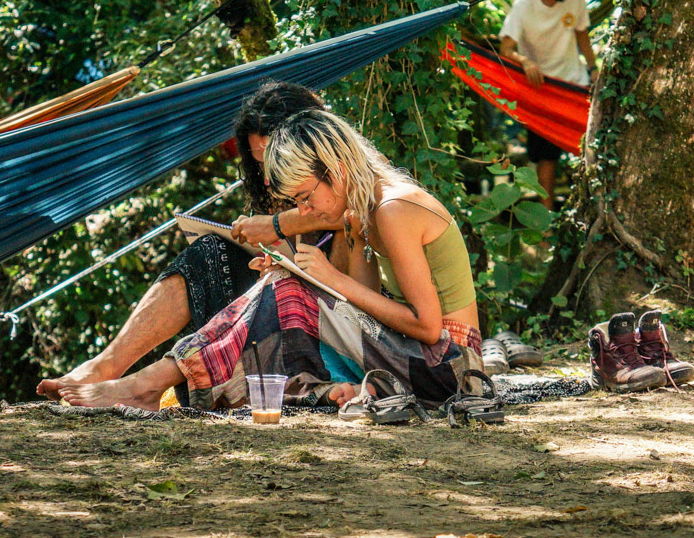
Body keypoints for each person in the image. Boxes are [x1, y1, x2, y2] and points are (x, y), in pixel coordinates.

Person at [58, 108, 483, 411]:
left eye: (305, 198)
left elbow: (428, 327)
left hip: (454, 368)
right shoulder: (361, 210)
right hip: (420, 359)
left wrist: (326, 277)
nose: (307, 212)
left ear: (334, 172)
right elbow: (362, 312)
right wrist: (308, 273)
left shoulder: (392, 209)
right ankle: (153, 382)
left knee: (287, 291)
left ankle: (148, 383)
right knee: (287, 287)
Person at [36, 81, 343, 401]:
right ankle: (106, 367)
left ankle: (146, 386)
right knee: (210, 254)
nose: (267, 176)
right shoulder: (271, 189)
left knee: (269, 281)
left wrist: (276, 225)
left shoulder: (350, 178)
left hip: (330, 318)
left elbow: (340, 212)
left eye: (274, 158)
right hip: (278, 301)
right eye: (259, 162)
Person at [498, 0, 599, 210]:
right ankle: (546, 224)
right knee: (546, 158)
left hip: (573, 86)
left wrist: (593, 68)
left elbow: (582, 36)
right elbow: (506, 48)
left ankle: (587, 213)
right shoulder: (525, 4)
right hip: (541, 89)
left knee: (589, 149)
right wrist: (526, 62)